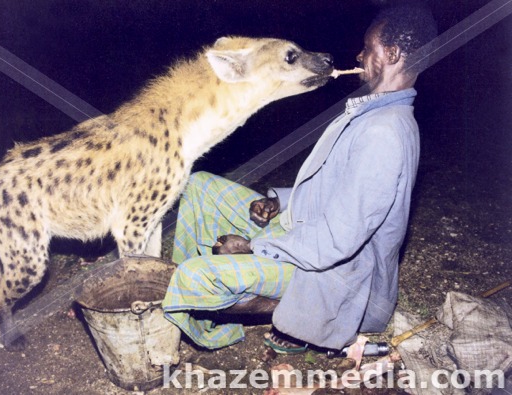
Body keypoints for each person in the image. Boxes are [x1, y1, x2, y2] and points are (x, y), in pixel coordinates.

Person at [162, 4, 438, 353]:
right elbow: (337, 193)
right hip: (307, 238)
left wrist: (251, 247)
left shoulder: (385, 131)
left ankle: (297, 314)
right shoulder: (375, 113)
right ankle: (213, 294)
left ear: (393, 53)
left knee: (193, 278)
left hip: (335, 278)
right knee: (200, 185)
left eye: (368, 48)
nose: (359, 54)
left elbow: (339, 240)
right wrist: (280, 201)